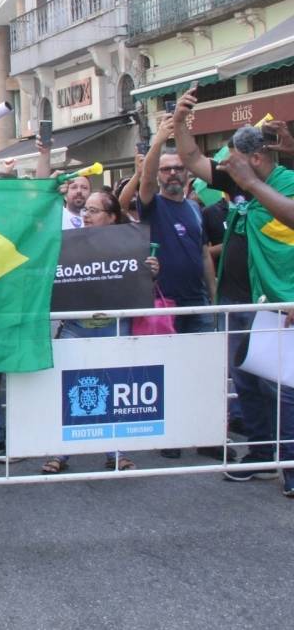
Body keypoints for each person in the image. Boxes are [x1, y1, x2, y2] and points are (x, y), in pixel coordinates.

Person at [172, 93, 294, 495]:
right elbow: (192, 160)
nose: (224, 166)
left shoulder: (284, 182)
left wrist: (252, 184)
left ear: (254, 159)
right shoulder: (238, 182)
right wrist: (180, 120)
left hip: (278, 303)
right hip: (237, 301)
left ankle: (290, 462)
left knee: (283, 388)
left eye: (231, 160)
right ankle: (260, 455)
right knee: (247, 383)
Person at [39, 191, 162, 474]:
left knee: (116, 387)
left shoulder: (130, 245)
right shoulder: (65, 243)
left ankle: (116, 453)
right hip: (75, 327)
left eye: (94, 211)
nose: (86, 215)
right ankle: (61, 452)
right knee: (69, 388)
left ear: (111, 217)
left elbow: (139, 286)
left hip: (113, 327)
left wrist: (151, 272)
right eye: (85, 211)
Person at [137, 114, 217, 334]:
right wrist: (159, 140)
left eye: (179, 168)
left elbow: (203, 254)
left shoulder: (194, 209)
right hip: (163, 303)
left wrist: (214, 295)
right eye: (166, 169)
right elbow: (146, 179)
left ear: (187, 173)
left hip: (198, 304)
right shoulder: (152, 204)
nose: (172, 173)